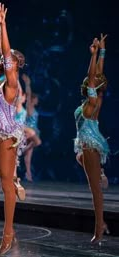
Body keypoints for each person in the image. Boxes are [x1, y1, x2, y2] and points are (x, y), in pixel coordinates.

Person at [0, 3, 26, 254]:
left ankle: (7, 233)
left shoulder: (12, 82)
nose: (4, 61)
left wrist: (4, 25)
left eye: (8, 61)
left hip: (8, 138)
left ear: (15, 65)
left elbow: (6, 54)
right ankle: (15, 180)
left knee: (5, 186)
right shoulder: (1, 83)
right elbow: (3, 53)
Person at [74, 34, 110, 245]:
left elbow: (93, 75)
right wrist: (102, 52)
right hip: (84, 145)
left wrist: (94, 54)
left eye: (93, 81)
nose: (91, 79)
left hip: (89, 143)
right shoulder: (90, 100)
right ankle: (101, 172)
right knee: (81, 160)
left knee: (95, 190)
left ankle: (99, 229)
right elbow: (97, 74)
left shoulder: (93, 101)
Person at [21, 74, 42, 182]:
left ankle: (28, 174)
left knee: (28, 157)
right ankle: (23, 149)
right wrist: (27, 83)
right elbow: (28, 94)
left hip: (33, 131)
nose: (38, 100)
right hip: (29, 131)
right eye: (36, 99)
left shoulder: (34, 108)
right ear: (33, 99)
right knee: (38, 142)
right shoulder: (29, 106)